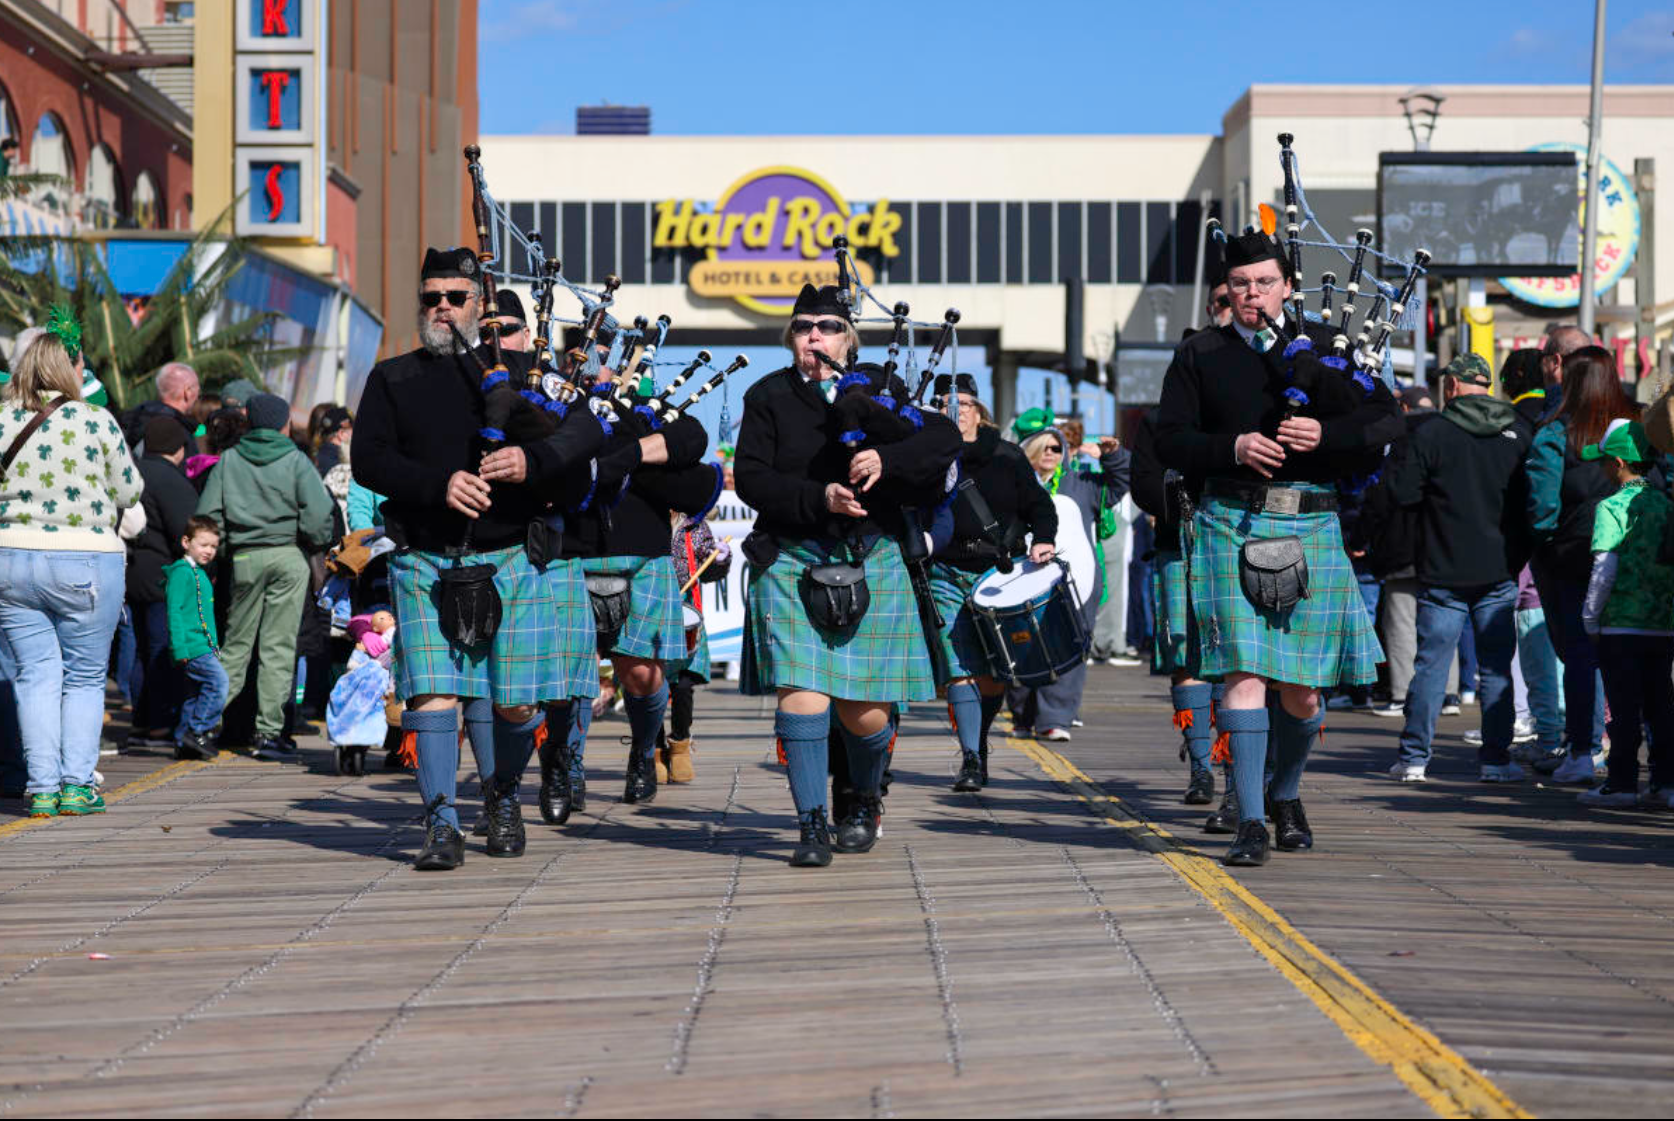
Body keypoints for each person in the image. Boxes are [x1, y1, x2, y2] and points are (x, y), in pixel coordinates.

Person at [352, 246, 604, 871]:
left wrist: (532, 461)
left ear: (480, 304)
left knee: (517, 703)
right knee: (433, 695)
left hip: (513, 554)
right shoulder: (394, 378)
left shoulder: (527, 374)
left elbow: (586, 433)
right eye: (430, 296)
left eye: (454, 297)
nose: (441, 307)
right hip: (426, 557)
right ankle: (441, 825)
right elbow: (370, 461)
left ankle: (500, 795)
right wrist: (439, 484)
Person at [1154, 228, 1400, 867]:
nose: (1252, 295)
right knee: (1243, 676)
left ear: (1288, 287)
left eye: (1264, 283)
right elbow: (1169, 439)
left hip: (1311, 522)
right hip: (1228, 520)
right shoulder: (1199, 354)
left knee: (1305, 691)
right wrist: (1229, 448)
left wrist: (1327, 432)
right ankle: (1252, 821)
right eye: (1240, 284)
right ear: (1225, 291)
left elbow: (1385, 420)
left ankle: (1285, 794)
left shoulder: (1324, 348)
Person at [735, 283, 960, 867]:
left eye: (828, 326)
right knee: (804, 699)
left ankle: (861, 797)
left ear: (849, 339)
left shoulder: (882, 391)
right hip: (792, 556)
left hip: (872, 555)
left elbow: (942, 440)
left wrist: (889, 459)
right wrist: (820, 496)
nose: (815, 334)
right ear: (790, 337)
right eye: (804, 325)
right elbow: (753, 478)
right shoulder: (767, 396)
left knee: (866, 714)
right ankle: (811, 824)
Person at [553, 322, 719, 816]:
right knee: (571, 674)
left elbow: (692, 438)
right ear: (567, 363)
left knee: (642, 673)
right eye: (583, 358)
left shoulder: (643, 413)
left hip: (642, 556)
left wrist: (630, 454)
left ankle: (645, 754)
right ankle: (568, 766)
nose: (594, 367)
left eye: (603, 356)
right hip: (572, 556)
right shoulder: (553, 413)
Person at [0, 325, 143, 818]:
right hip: (86, 557)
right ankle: (77, 785)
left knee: (33, 676)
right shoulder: (96, 421)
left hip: (11, 555)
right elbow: (129, 492)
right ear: (70, 368)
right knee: (83, 678)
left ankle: (40, 787)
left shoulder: (0, 419)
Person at [1387, 354, 1532, 783]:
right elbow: (1533, 502)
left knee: (1431, 664)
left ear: (1451, 386)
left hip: (1442, 566)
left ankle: (1414, 759)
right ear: (1487, 386)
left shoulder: (1432, 433)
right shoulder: (1519, 433)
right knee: (1495, 668)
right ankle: (1496, 760)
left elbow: (1403, 494)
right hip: (1500, 568)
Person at [930, 381, 1057, 791]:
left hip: (999, 574)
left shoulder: (1007, 456)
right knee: (959, 668)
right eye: (944, 404)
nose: (954, 410)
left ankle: (978, 741)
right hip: (945, 571)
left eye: (962, 404)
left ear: (979, 412)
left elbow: (1040, 506)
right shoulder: (926, 456)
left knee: (993, 676)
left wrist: (1043, 538)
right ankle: (970, 757)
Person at [197, 393, 335, 760]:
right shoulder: (295, 461)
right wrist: (312, 541)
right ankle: (268, 733)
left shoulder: (229, 461)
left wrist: (226, 548)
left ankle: (204, 725)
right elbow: (321, 514)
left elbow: (208, 514)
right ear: (284, 424)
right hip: (288, 555)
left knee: (235, 646)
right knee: (278, 647)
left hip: (244, 558)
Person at [1525, 345, 1634, 784]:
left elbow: (1541, 506)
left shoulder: (1556, 434)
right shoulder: (1635, 427)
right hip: (1630, 554)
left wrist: (1540, 541)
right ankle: (1630, 755)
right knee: (1631, 655)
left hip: (1570, 556)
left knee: (1580, 655)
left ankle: (1583, 750)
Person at [1011, 414, 1130, 741]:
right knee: (1021, 647)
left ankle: (1056, 718)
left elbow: (1121, 481)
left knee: (1070, 648)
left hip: (1078, 579)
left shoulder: (1081, 483)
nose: (1050, 452)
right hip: (1022, 580)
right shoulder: (1014, 484)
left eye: (1057, 447)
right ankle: (1023, 715)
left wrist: (1112, 456)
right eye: (1043, 447)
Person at [1131, 404, 1224, 807]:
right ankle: (1201, 767)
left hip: (1240, 545)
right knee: (1185, 657)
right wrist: (1178, 508)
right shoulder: (1157, 421)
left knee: (1245, 665)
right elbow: (1145, 483)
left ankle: (1244, 773)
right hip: (1176, 546)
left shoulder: (1239, 413)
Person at [1577, 419, 1674, 807]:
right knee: (1661, 707)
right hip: (1664, 623)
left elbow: (1605, 569)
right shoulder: (1667, 506)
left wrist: (1590, 618)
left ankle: (1621, 783)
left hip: (1621, 624)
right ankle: (1666, 783)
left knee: (1624, 708)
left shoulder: (1611, 507)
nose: (1600, 468)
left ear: (1618, 462)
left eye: (1603, 461)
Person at [126, 416, 200, 748]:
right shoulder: (171, 480)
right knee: (162, 650)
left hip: (131, 574)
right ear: (179, 448)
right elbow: (186, 532)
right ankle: (159, 723)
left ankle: (141, 721)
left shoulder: (134, 471)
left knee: (141, 650)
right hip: (163, 579)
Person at [661, 510, 732, 783]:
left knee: (683, 684)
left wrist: (720, 559)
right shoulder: (643, 517)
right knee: (650, 684)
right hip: (649, 606)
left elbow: (711, 570)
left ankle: (680, 745)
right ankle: (653, 750)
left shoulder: (695, 526)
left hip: (687, 611)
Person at [166, 515, 227, 761]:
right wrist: (179, 647)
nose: (209, 551)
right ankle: (198, 730)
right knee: (218, 682)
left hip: (204, 646)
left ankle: (184, 741)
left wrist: (213, 646)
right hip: (192, 646)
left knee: (195, 694)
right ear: (186, 542)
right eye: (203, 545)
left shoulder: (200, 573)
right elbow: (174, 612)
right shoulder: (181, 573)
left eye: (213, 546)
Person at [121, 361, 200, 456]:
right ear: (187, 392)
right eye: (198, 390)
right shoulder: (178, 433)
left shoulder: (137, 421)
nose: (198, 396)